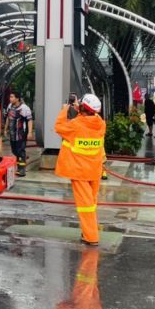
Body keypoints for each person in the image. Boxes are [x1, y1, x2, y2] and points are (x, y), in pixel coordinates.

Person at [54, 94, 107, 246]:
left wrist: (66, 109)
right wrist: (80, 109)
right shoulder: (101, 124)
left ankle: (91, 237)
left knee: (86, 206)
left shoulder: (75, 125)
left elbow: (58, 127)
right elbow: (87, 120)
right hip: (94, 170)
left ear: (82, 107)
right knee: (91, 203)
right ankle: (88, 231)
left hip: (79, 171)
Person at [4, 91, 33, 176]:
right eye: (10, 97)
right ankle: (22, 160)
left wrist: (30, 132)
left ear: (17, 98)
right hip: (12, 134)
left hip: (21, 134)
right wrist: (5, 129)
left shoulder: (24, 108)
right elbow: (8, 118)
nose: (10, 99)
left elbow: (30, 120)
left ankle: (22, 170)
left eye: (12, 97)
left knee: (20, 151)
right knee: (14, 151)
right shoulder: (10, 106)